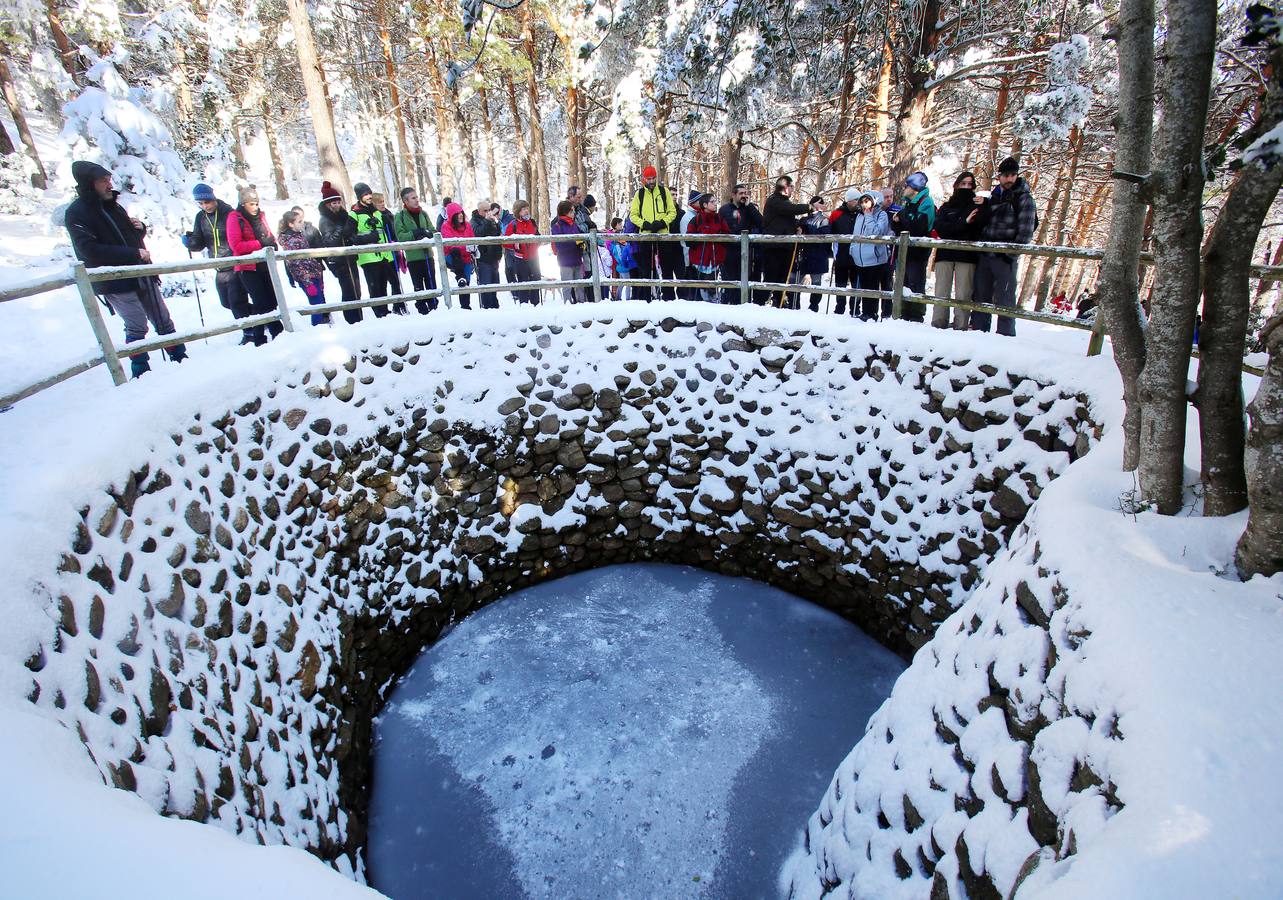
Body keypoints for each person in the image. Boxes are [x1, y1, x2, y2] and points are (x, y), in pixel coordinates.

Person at [64, 160, 188, 377]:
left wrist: (139, 231)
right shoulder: (77, 213)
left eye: (109, 180)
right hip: (114, 279)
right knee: (136, 324)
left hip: (141, 273)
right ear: (89, 183)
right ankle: (141, 370)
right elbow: (89, 249)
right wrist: (132, 254)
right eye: (103, 181)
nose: (109, 185)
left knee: (162, 318)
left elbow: (125, 238)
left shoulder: (113, 206)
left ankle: (180, 358)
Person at [970, 155, 1038, 335]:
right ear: (999, 176)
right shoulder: (994, 197)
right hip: (986, 254)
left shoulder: (1024, 198)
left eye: (1012, 175)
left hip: (1005, 257)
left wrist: (1010, 255)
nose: (1009, 179)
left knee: (1005, 299)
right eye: (1006, 175)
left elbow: (1026, 231)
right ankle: (978, 333)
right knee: (981, 298)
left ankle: (1005, 338)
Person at [183, 183, 251, 341]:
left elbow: (239, 236)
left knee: (237, 302)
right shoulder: (201, 217)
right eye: (201, 203)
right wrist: (190, 242)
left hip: (234, 263)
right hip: (219, 267)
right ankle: (262, 316)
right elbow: (199, 242)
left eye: (207, 202)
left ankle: (249, 332)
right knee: (226, 303)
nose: (205, 206)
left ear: (213, 198)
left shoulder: (228, 213)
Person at [225, 185, 284, 346]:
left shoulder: (261, 217)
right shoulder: (234, 218)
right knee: (261, 303)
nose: (255, 207)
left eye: (256, 203)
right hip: (248, 268)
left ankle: (269, 336)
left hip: (265, 265)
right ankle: (269, 335)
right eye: (251, 204)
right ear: (243, 204)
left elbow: (269, 235)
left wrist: (272, 244)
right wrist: (260, 243)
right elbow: (236, 246)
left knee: (272, 301)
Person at [931, 172, 982, 330]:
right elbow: (940, 229)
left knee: (963, 293)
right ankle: (938, 323)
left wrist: (958, 227)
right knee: (941, 290)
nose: (966, 187)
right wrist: (963, 223)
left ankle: (961, 326)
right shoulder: (947, 206)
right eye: (963, 184)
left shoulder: (977, 206)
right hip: (945, 253)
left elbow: (975, 230)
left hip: (967, 255)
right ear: (957, 185)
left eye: (969, 184)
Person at [628, 165, 680, 301]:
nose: (651, 181)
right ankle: (646, 299)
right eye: (648, 179)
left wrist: (662, 222)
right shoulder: (639, 195)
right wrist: (644, 224)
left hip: (663, 235)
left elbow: (672, 211)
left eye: (653, 178)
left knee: (667, 268)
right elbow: (633, 215)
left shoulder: (664, 192)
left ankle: (668, 298)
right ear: (644, 179)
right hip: (645, 235)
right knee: (646, 269)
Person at [316, 181, 364, 324]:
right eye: (334, 203)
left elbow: (350, 233)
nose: (337, 205)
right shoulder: (325, 220)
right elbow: (330, 241)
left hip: (350, 257)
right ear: (327, 205)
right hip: (339, 261)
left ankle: (358, 318)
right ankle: (352, 320)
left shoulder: (344, 216)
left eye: (338, 202)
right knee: (348, 291)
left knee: (356, 290)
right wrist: (340, 229)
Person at [889, 171, 934, 322]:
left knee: (915, 285)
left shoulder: (926, 203)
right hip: (904, 253)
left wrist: (901, 218)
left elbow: (918, 228)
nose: (904, 189)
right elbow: (899, 228)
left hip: (917, 253)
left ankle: (915, 316)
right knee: (903, 283)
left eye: (907, 186)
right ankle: (903, 314)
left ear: (914, 188)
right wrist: (898, 221)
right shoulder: (908, 205)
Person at [761, 174, 811, 307]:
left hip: (785, 246)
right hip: (774, 247)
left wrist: (797, 226)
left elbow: (784, 220)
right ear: (785, 187)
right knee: (771, 277)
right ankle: (762, 302)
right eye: (791, 186)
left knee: (782, 277)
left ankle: (779, 301)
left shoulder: (784, 202)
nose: (793, 189)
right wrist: (809, 207)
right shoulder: (774, 200)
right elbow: (790, 209)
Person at [350, 183, 397, 317]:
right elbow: (350, 236)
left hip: (383, 255)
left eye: (369, 193)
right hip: (369, 257)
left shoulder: (376, 212)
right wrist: (369, 238)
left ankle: (385, 312)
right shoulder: (355, 214)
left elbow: (386, 232)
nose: (369, 196)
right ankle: (379, 314)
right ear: (360, 196)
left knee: (383, 286)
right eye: (365, 194)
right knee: (375, 287)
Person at [277, 208, 329, 326]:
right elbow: (295, 264)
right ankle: (316, 327)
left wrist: (318, 275)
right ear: (291, 224)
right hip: (306, 277)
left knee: (320, 302)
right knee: (317, 304)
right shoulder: (290, 241)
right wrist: (307, 282)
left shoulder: (299, 236)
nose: (302, 224)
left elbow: (309, 258)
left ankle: (319, 325)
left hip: (313, 273)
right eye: (299, 222)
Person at [849, 190, 894, 321]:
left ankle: (872, 314)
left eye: (867, 201)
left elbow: (876, 233)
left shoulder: (882, 215)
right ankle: (866, 313)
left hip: (875, 259)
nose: (864, 205)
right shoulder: (859, 216)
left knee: (872, 288)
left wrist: (869, 216)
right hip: (860, 259)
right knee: (864, 288)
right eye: (862, 202)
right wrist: (853, 250)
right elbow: (855, 234)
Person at [393, 187, 438, 314]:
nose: (416, 200)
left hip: (428, 255)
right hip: (414, 258)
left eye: (417, 197)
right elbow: (400, 236)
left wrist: (427, 233)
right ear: (405, 201)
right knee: (418, 287)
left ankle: (435, 309)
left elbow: (433, 231)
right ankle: (422, 311)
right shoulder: (400, 216)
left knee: (431, 285)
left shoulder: (423, 214)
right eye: (413, 198)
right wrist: (414, 233)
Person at [718, 183, 764, 304]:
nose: (744, 196)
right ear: (734, 195)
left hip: (745, 252)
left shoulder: (749, 209)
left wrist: (750, 207)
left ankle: (743, 305)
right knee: (730, 280)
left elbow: (761, 223)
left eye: (745, 193)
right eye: (741, 193)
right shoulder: (724, 209)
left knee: (744, 280)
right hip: (728, 251)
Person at [684, 191, 730, 302]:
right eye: (712, 202)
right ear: (705, 205)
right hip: (700, 260)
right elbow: (688, 240)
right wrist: (701, 238)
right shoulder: (696, 220)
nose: (715, 204)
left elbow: (727, 236)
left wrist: (718, 238)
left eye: (715, 201)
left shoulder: (719, 219)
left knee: (713, 290)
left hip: (716, 260)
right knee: (700, 291)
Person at [827, 188, 862, 315]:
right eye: (855, 200)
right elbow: (828, 231)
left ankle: (855, 309)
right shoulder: (837, 214)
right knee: (840, 284)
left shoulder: (861, 213)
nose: (858, 203)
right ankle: (839, 308)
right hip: (841, 254)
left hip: (857, 256)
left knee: (856, 284)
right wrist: (830, 253)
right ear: (849, 201)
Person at [372, 193, 406, 312]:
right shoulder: (374, 216)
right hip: (382, 254)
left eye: (383, 201)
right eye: (379, 202)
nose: (382, 204)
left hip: (393, 252)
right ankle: (384, 309)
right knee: (384, 283)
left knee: (395, 281)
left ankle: (399, 305)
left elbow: (394, 230)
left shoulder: (388, 214)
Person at [503, 200, 541, 305]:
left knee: (536, 283)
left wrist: (538, 242)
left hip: (534, 258)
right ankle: (524, 307)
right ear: (518, 212)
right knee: (523, 284)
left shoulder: (532, 222)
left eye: (527, 208)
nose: (526, 211)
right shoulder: (513, 225)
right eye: (523, 209)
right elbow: (505, 242)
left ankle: (536, 306)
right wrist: (517, 244)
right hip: (521, 259)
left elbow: (538, 235)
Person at [800, 195, 834, 313]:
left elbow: (823, 235)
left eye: (821, 203)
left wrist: (808, 230)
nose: (818, 205)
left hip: (818, 254)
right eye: (816, 203)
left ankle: (813, 307)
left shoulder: (825, 220)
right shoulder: (804, 219)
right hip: (804, 254)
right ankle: (794, 305)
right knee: (796, 280)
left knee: (816, 283)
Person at [439, 201, 476, 308]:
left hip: (466, 257)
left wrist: (473, 248)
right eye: (457, 214)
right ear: (452, 216)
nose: (460, 215)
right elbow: (450, 244)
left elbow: (472, 239)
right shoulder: (446, 226)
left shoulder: (467, 226)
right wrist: (466, 247)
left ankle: (465, 306)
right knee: (455, 251)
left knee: (465, 283)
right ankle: (460, 276)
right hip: (453, 256)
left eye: (461, 213)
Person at [550, 200, 586, 303]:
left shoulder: (574, 225)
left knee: (580, 286)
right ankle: (567, 305)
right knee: (567, 287)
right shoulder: (557, 227)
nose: (574, 213)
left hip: (577, 259)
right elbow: (560, 245)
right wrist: (575, 242)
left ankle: (582, 304)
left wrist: (581, 245)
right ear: (565, 212)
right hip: (565, 261)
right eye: (571, 211)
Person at [470, 199, 503, 309]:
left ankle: (495, 305)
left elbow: (497, 234)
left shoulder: (491, 219)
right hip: (483, 257)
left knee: (494, 283)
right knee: (486, 284)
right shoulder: (474, 221)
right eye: (485, 210)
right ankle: (487, 307)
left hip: (494, 256)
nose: (488, 212)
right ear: (479, 211)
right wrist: (487, 221)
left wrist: (495, 223)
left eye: (489, 210)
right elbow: (478, 233)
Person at [606, 216, 637, 300]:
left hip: (621, 262)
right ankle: (625, 298)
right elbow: (616, 251)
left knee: (621, 282)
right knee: (626, 282)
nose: (621, 226)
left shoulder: (621, 234)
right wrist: (624, 262)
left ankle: (617, 297)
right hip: (619, 262)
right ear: (615, 225)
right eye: (620, 224)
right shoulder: (613, 238)